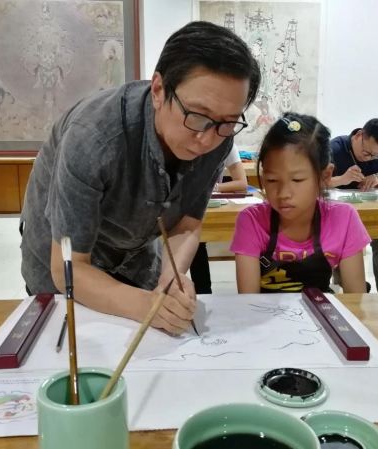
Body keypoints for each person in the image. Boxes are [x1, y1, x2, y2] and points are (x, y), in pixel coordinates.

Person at [20, 21, 261, 335]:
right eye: (197, 116)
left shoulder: (219, 137)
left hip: (136, 251)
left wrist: (171, 279)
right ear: (159, 90)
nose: (207, 139)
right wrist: (144, 305)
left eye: (227, 122)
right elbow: (70, 267)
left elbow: (187, 224)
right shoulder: (94, 137)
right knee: (76, 344)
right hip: (63, 257)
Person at [230, 113, 370, 294]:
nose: (283, 194)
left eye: (297, 180)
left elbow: (355, 299)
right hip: (264, 311)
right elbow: (248, 300)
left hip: (320, 309)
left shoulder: (344, 219)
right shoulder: (252, 221)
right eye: (272, 180)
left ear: (325, 176)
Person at [328, 118, 378, 293]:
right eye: (367, 152)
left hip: (372, 211)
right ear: (359, 135)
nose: (369, 158)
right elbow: (316, 182)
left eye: (375, 156)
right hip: (340, 215)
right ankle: (348, 287)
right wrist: (342, 179)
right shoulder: (335, 148)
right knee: (340, 244)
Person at [190, 145, 248, 294]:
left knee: (198, 241)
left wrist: (213, 187)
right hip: (186, 206)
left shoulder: (228, 144)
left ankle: (204, 292)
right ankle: (203, 292)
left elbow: (242, 183)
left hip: (209, 205)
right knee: (194, 241)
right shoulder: (191, 141)